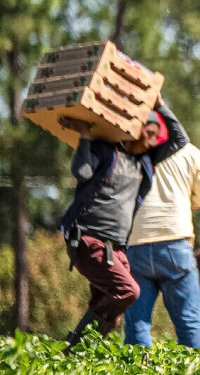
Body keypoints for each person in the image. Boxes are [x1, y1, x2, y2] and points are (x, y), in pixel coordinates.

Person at [58, 95, 189, 353]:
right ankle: (73, 351)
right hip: (88, 240)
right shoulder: (105, 151)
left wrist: (160, 104)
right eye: (148, 134)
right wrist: (85, 136)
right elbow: (82, 173)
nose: (152, 141)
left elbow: (180, 139)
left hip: (116, 248)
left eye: (155, 136)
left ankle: (75, 358)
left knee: (111, 311)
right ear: (132, 131)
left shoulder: (145, 162)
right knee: (127, 291)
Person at [123, 114, 200, 348]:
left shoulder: (130, 150)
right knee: (190, 323)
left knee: (137, 325)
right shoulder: (189, 152)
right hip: (175, 243)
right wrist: (183, 200)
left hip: (136, 244)